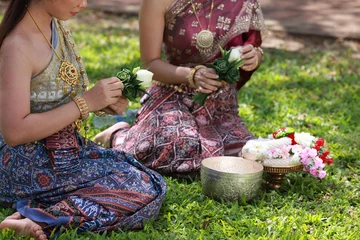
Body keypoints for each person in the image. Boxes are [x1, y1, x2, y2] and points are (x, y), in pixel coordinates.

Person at [0, 0, 167, 239]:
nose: (84, 3)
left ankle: (38, 214)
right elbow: (14, 133)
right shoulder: (17, 46)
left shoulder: (54, 25)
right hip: (27, 163)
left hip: (65, 151)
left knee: (143, 177)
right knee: (139, 188)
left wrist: (101, 103)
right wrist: (85, 103)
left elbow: (59, 99)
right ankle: (35, 219)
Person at [94, 0, 266, 177]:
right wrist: (191, 75)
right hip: (172, 93)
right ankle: (117, 134)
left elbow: (253, 48)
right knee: (175, 144)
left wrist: (254, 57)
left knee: (244, 152)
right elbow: (150, 64)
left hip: (218, 101)